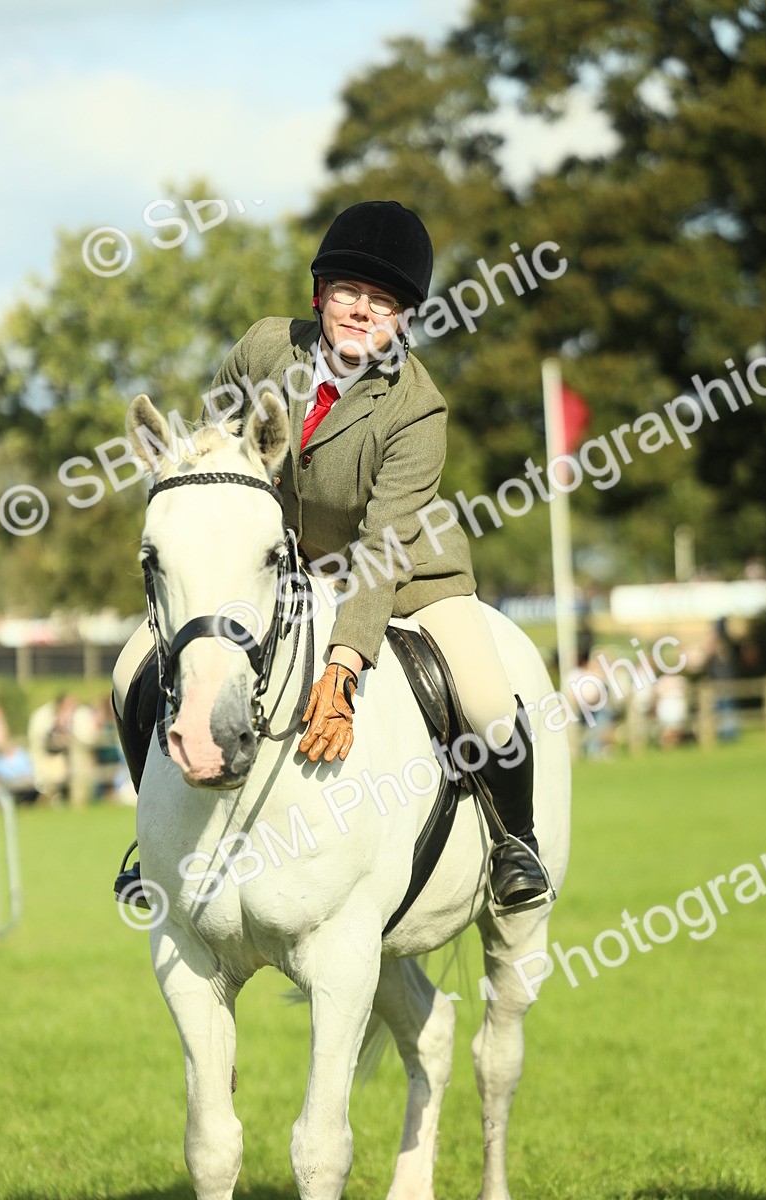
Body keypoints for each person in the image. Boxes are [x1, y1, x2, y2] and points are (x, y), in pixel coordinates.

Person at [112, 200, 551, 912]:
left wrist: (344, 665)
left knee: (488, 700)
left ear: (405, 318)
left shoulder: (416, 408)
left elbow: (383, 548)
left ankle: (514, 843)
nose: (361, 311)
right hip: (282, 570)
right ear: (321, 294)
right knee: (133, 668)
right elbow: (215, 451)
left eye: (384, 301)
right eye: (348, 291)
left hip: (407, 572)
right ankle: (154, 842)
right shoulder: (263, 349)